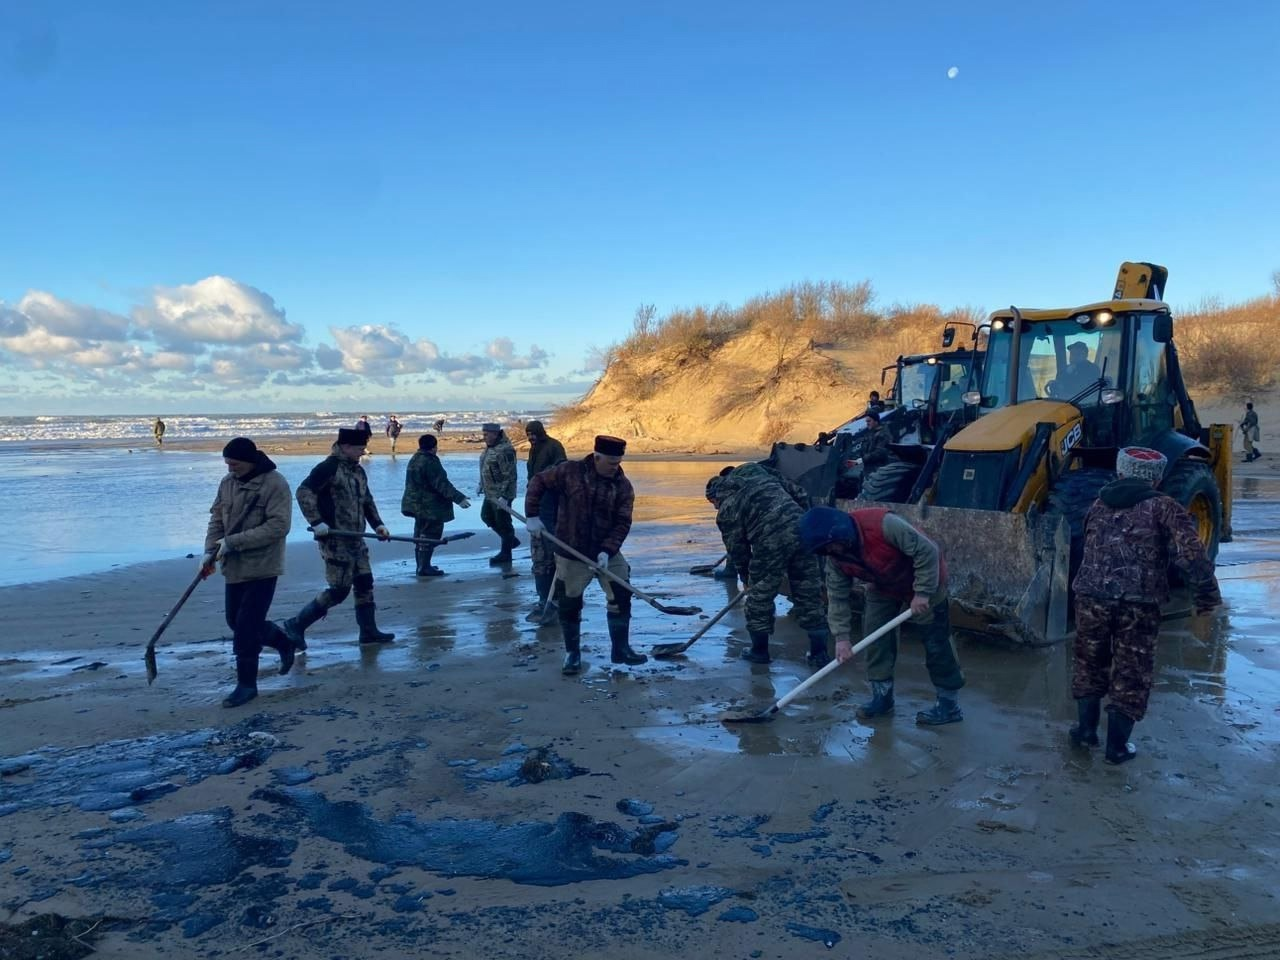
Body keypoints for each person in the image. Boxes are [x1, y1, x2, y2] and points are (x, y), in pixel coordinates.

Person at [1069, 447, 1221, 763]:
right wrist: (1206, 598)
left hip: (1090, 598)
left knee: (1089, 663)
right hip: (1137, 604)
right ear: (1158, 477)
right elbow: (1193, 555)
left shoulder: (1098, 503)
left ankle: (1085, 732)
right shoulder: (1164, 507)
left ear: (1120, 472)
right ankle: (1117, 748)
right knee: (1131, 671)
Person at [799, 505, 965, 725]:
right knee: (876, 637)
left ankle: (948, 704)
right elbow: (837, 597)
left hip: (926, 578)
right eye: (826, 550)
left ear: (840, 532)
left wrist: (923, 593)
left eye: (831, 546)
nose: (832, 552)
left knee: (936, 641)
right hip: (883, 585)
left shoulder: (883, 525)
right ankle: (882, 698)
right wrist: (841, 638)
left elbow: (928, 551)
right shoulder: (835, 557)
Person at [524, 435, 647, 674]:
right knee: (570, 602)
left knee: (621, 594)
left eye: (618, 462)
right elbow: (538, 482)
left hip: (607, 553)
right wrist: (532, 516)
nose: (616, 467)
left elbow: (622, 523)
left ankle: (621, 649)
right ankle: (572, 654)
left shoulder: (623, 486)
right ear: (597, 457)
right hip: (571, 551)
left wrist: (607, 551)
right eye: (611, 463)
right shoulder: (569, 472)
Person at [280, 428, 395, 650]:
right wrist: (317, 522)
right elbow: (304, 492)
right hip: (334, 539)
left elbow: (367, 500)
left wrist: (378, 525)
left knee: (364, 583)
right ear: (345, 447)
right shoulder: (328, 468)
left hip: (357, 538)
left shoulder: (358, 471)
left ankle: (368, 632)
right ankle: (296, 624)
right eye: (360, 448)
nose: (363, 452)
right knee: (339, 589)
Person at [706, 463, 829, 667]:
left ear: (716, 495)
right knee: (809, 592)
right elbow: (799, 493)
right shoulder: (762, 477)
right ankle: (819, 654)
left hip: (771, 539)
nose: (715, 508)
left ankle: (759, 652)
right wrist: (804, 519)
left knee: (759, 598)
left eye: (713, 503)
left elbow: (737, 549)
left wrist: (746, 579)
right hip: (802, 530)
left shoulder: (728, 507)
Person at [202, 437, 294, 708]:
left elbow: (279, 526)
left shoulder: (275, 483)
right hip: (233, 566)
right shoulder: (227, 483)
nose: (230, 469)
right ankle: (283, 642)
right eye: (227, 464)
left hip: (263, 565)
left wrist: (233, 542)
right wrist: (210, 552)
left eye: (235, 464)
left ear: (250, 461)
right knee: (235, 621)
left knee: (245, 628)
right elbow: (217, 519)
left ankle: (246, 685)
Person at [401, 434, 470, 576]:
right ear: (434, 447)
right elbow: (440, 484)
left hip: (415, 504)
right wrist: (459, 498)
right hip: (429, 506)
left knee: (420, 535)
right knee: (429, 535)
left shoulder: (414, 459)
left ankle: (421, 566)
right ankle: (424, 567)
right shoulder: (430, 461)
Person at [524, 420, 567, 623]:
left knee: (553, 555)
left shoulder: (553, 446)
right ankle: (544, 599)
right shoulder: (533, 450)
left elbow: (562, 465)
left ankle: (557, 599)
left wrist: (546, 476)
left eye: (533, 434)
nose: (531, 437)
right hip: (537, 505)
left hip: (552, 504)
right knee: (539, 558)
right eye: (528, 434)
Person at [478, 422, 519, 566]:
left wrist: (505, 496)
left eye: (487, 435)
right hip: (490, 493)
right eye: (483, 435)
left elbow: (510, 475)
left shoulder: (505, 449)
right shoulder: (490, 448)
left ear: (495, 434)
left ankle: (506, 553)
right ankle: (510, 540)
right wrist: (480, 485)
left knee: (503, 522)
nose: (485, 438)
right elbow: (485, 468)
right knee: (486, 516)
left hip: (502, 494)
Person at [860, 411, 892, 479]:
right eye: (866, 422)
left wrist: (863, 459)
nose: (867, 424)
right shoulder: (871, 432)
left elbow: (880, 453)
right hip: (869, 470)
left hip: (879, 471)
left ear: (876, 422)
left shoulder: (883, 434)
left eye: (869, 421)